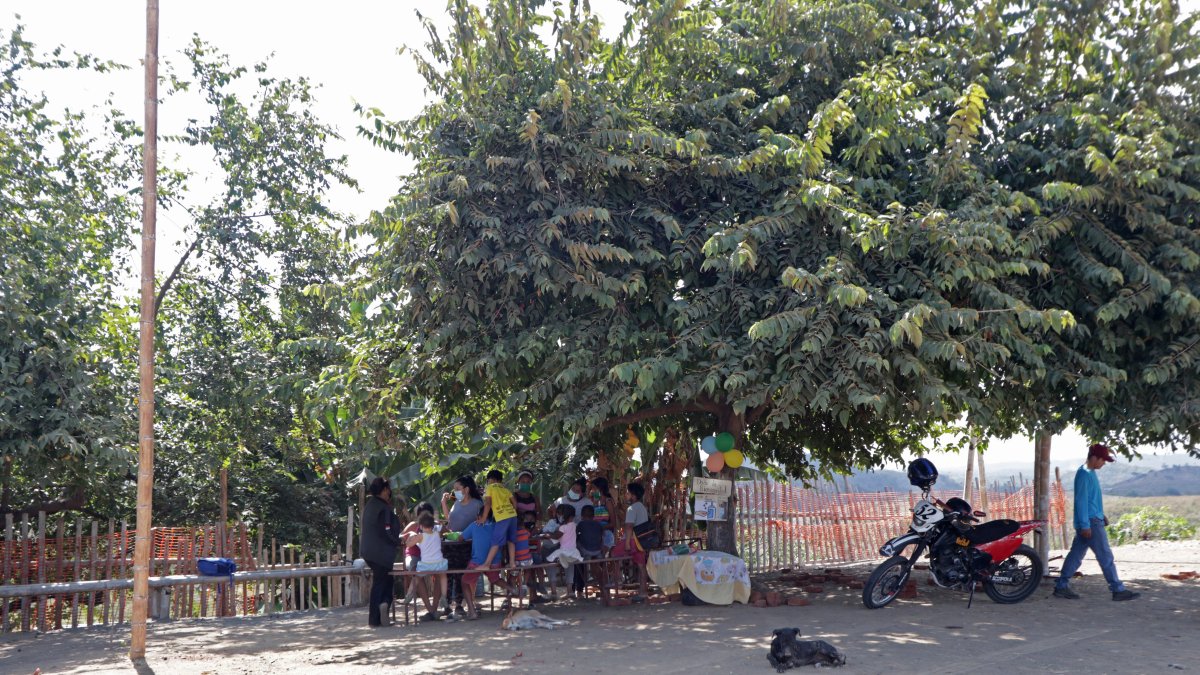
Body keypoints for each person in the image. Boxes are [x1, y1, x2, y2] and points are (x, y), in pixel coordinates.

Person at [1053, 444, 1140, 601]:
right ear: (1094, 457)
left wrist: (1101, 514)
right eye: (1103, 460)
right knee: (1105, 556)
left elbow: (1091, 499)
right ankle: (1117, 590)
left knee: (1076, 555)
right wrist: (1085, 525)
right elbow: (1081, 501)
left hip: (1092, 519)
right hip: (1090, 523)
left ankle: (1061, 586)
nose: (1104, 463)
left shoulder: (1089, 472)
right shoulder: (1085, 474)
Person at [359, 477, 402, 627]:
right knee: (381, 582)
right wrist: (398, 542)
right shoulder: (383, 508)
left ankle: (382, 609)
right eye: (388, 489)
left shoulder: (370, 505)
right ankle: (377, 615)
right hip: (380, 553)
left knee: (384, 581)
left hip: (368, 552)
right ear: (384, 490)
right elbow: (387, 530)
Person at [441, 475, 483, 617]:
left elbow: (481, 524)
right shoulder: (456, 503)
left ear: (466, 489)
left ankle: (459, 604)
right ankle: (446, 604)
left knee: (460, 574)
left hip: (467, 545)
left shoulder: (477, 504)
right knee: (448, 574)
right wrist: (443, 504)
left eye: (457, 489)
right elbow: (450, 520)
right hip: (451, 544)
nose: (455, 492)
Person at [459, 517, 514, 620]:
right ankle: (512, 589)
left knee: (465, 581)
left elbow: (461, 538)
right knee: (495, 579)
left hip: (477, 562)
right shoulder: (498, 526)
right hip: (496, 561)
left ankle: (472, 611)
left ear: (480, 515)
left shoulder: (475, 524)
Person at [406, 513, 449, 621]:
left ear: (420, 526)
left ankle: (409, 594)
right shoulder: (437, 533)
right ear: (432, 525)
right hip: (439, 563)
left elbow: (409, 545)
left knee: (417, 577)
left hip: (425, 565)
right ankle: (443, 596)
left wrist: (410, 537)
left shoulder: (420, 536)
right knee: (443, 576)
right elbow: (446, 529)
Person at [612, 481, 650, 601]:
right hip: (641, 541)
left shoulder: (631, 508)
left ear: (633, 496)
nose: (626, 495)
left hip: (632, 540)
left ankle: (617, 583)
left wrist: (627, 543)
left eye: (628, 493)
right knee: (641, 566)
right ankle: (643, 592)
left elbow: (629, 527)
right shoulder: (642, 507)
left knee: (613, 555)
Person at [477, 469, 519, 569]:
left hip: (502, 516)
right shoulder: (505, 489)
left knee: (496, 540)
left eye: (488, 480)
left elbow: (488, 503)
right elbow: (515, 503)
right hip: (513, 515)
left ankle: (487, 564)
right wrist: (511, 511)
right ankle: (512, 563)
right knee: (511, 540)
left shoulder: (490, 488)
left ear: (491, 479)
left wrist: (483, 518)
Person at [400, 501, 436, 613]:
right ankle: (430, 609)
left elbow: (448, 533)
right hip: (413, 555)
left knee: (442, 573)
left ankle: (435, 607)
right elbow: (400, 536)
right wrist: (409, 535)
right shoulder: (413, 525)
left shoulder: (436, 526)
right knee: (416, 571)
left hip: (429, 557)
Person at [546, 504, 582, 594]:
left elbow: (557, 536)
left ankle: (554, 591)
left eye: (560, 514)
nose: (559, 516)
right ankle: (570, 591)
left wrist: (549, 535)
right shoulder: (574, 525)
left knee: (549, 560)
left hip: (563, 549)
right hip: (573, 551)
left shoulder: (562, 527)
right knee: (570, 564)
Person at [575, 504, 605, 598]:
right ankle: (602, 585)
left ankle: (579, 590)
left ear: (582, 515)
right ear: (593, 515)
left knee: (578, 561)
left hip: (585, 551)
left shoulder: (580, 524)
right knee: (599, 565)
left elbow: (576, 537)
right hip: (598, 551)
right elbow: (602, 536)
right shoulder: (598, 524)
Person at [588, 476, 617, 553]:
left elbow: (613, 523)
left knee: (601, 556)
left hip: (606, 535)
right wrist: (595, 502)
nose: (592, 491)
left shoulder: (608, 501)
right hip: (595, 535)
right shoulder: (594, 502)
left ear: (600, 489)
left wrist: (600, 527)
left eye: (594, 488)